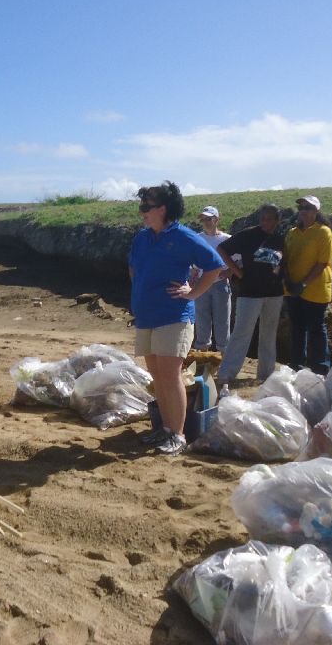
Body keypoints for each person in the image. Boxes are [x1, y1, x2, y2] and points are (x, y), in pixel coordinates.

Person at [129, 182, 226, 456]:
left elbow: (215, 265)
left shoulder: (182, 236)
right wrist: (138, 298)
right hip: (146, 316)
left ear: (163, 209)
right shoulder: (142, 238)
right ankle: (164, 429)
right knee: (157, 374)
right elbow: (133, 268)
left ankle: (177, 434)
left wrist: (193, 292)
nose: (142, 212)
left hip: (174, 316)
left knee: (171, 375)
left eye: (146, 207)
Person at [216, 204, 286, 385]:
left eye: (269, 219)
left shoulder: (280, 238)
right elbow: (222, 249)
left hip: (274, 293)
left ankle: (266, 375)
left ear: (277, 221)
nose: (265, 222)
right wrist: (237, 272)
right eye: (262, 218)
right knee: (241, 333)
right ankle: (226, 374)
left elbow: (281, 263)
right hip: (249, 292)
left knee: (268, 335)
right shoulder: (248, 235)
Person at [282, 195, 332, 375]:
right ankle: (297, 363)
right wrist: (289, 281)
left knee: (316, 328)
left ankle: (321, 367)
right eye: (301, 208)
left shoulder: (324, 232)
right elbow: (286, 259)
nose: (303, 211)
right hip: (292, 289)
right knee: (297, 326)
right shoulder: (292, 233)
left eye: (308, 208)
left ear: (316, 211)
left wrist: (303, 284)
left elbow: (322, 263)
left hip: (315, 289)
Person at [192, 206, 232, 352]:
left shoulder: (227, 239)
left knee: (222, 321)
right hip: (201, 284)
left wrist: (230, 273)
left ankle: (223, 356)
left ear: (217, 219)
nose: (206, 222)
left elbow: (239, 260)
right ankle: (202, 357)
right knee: (202, 320)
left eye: (209, 219)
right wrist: (193, 272)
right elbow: (191, 259)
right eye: (204, 219)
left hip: (220, 284)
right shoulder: (197, 238)